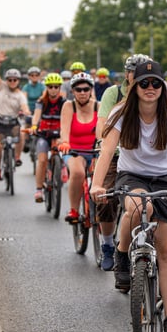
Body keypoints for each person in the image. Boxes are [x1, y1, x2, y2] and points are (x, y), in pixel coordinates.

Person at [91, 59, 167, 332]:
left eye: (156, 84)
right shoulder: (121, 113)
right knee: (140, 207)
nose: (150, 88)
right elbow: (107, 151)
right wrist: (97, 184)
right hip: (132, 175)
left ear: (163, 87)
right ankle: (123, 253)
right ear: (134, 87)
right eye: (144, 83)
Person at [94, 53, 151, 271]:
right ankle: (108, 244)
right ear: (126, 74)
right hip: (116, 152)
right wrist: (105, 141)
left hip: (142, 157)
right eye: (132, 72)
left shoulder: (153, 92)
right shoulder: (114, 93)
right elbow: (102, 124)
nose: (136, 77)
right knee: (106, 199)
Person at [59, 72, 99, 224]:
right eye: (78, 89)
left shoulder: (98, 106)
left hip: (95, 151)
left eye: (86, 89)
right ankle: (74, 210)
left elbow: (104, 132)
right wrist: (64, 142)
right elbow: (64, 129)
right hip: (74, 151)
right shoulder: (69, 106)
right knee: (77, 172)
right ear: (73, 91)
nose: (82, 92)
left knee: (105, 179)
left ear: (91, 90)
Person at [0, 51, 31, 180]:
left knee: (22, 134)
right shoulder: (2, 87)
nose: (12, 82)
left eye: (15, 80)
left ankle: (17, 156)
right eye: (10, 79)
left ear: (18, 81)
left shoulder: (20, 95)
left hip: (12, 122)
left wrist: (26, 112)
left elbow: (25, 107)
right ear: (6, 80)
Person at [30, 73, 66, 202]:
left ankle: (60, 167)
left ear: (60, 88)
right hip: (44, 134)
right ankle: (39, 190)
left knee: (62, 150)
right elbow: (36, 115)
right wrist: (34, 126)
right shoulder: (41, 101)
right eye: (50, 87)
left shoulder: (64, 102)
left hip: (58, 134)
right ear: (47, 88)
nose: (53, 89)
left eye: (56, 87)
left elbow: (68, 118)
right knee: (42, 160)